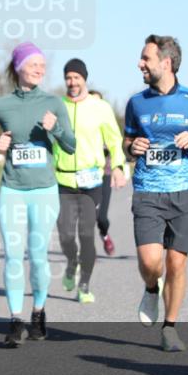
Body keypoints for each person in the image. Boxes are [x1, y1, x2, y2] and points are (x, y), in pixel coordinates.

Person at [123, 35, 188, 352]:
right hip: (148, 191)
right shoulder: (136, 103)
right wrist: (131, 147)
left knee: (177, 263)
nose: (140, 64)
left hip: (184, 192)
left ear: (165, 63)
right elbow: (126, 144)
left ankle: (170, 327)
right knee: (151, 262)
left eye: (145, 58)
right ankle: (152, 287)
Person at [0, 42, 75, 347]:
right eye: (34, 64)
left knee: (38, 255)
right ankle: (15, 320)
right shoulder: (0, 105)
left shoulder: (54, 103)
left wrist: (56, 128)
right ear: (19, 66)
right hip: (12, 189)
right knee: (12, 256)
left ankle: (38, 312)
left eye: (43, 66)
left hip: (44, 191)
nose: (39, 69)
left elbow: (71, 145)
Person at [53, 60, 127, 303]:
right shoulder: (56, 106)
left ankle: (84, 285)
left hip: (91, 180)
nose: (72, 82)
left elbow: (114, 140)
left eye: (77, 77)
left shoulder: (100, 107)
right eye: (68, 78)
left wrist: (117, 166)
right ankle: (71, 263)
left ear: (85, 78)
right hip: (62, 178)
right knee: (65, 235)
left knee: (86, 234)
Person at [89, 90, 117, 256]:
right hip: (83, 175)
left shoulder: (106, 123)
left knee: (101, 218)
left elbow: (115, 145)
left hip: (103, 174)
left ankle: (105, 235)